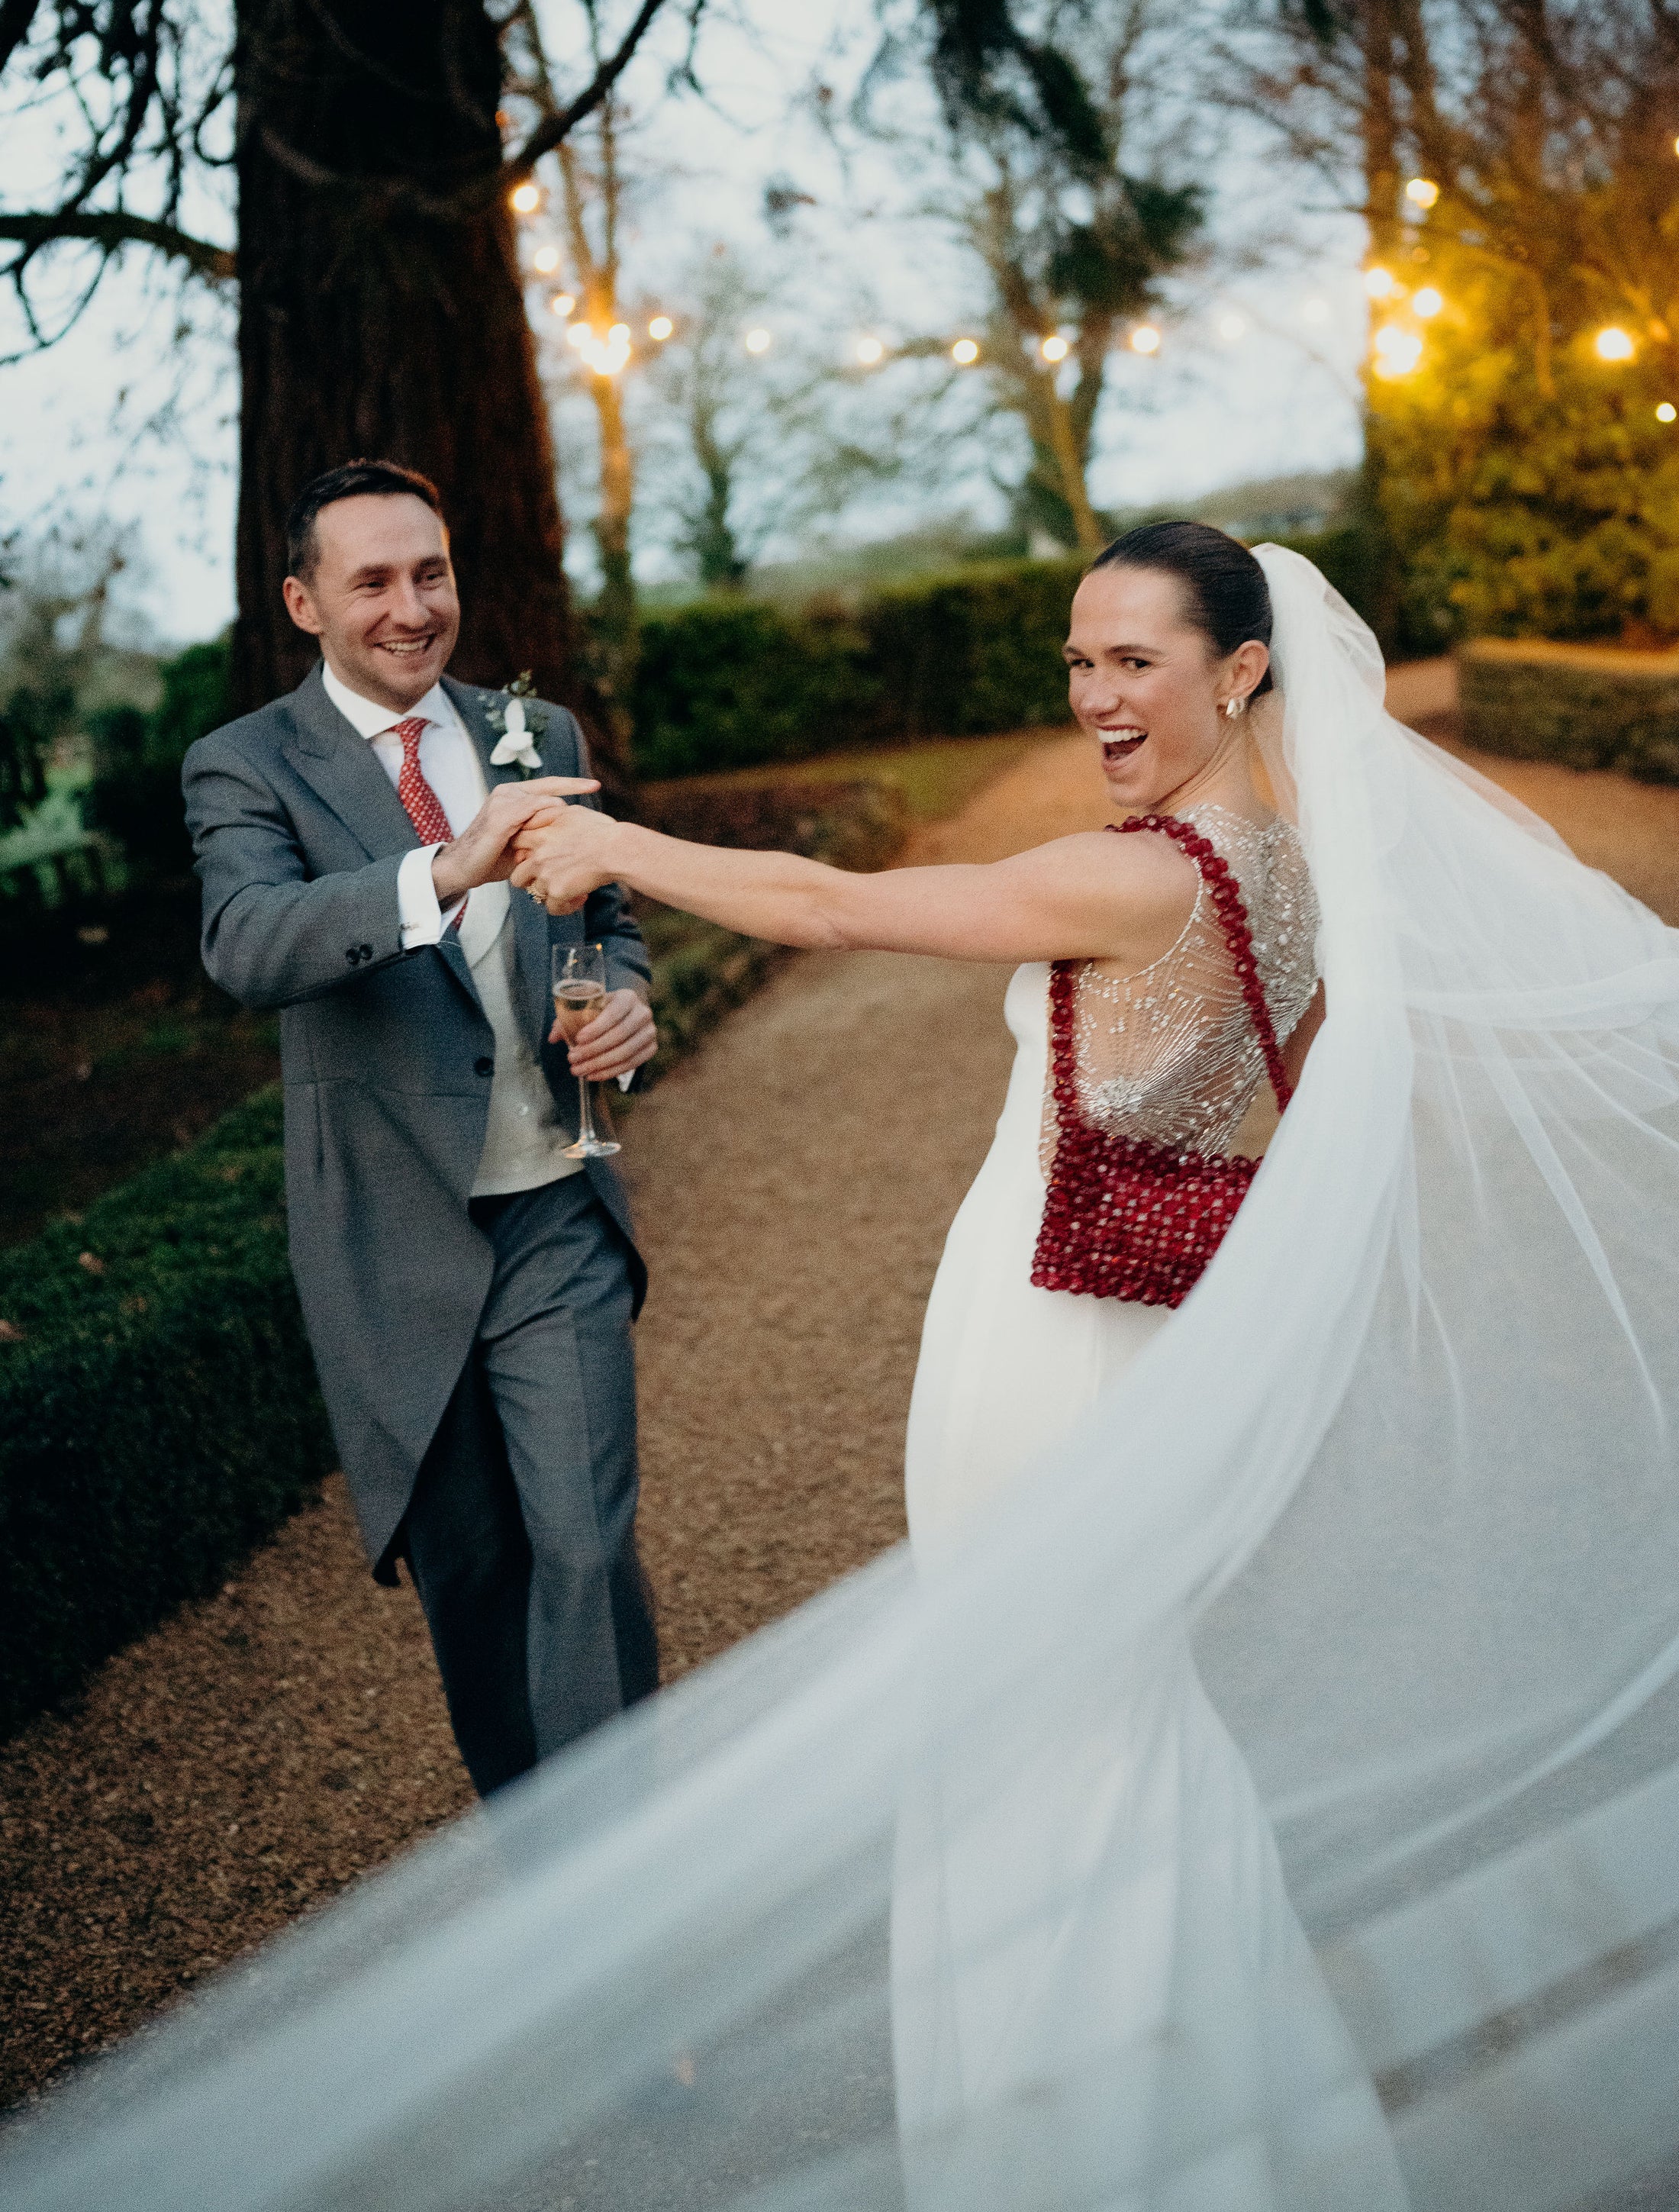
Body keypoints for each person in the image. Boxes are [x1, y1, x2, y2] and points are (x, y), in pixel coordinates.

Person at [14, 524, 1679, 2210]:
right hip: (1126, 1342)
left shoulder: (1142, 875)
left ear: (1241, 671)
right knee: (1109, 1712)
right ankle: (1200, 2114)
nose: (1096, 698)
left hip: (1045, 1361)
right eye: (1075, 665)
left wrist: (615, 848)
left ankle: (1078, 2139)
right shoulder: (1288, 867)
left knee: (1041, 1733)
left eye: (1132, 664)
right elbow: (1304, 1119)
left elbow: (832, 900)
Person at [181, 458, 660, 1798]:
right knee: (476, 1567)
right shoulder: (244, 766)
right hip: (395, 1238)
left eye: (431, 572)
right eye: (373, 580)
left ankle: (637, 1873)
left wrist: (626, 1005)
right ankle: (542, 1877)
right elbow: (247, 944)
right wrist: (447, 867)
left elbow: (610, 923)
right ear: (303, 601)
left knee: (583, 1537)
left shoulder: (539, 731)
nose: (412, 606)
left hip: (556, 1202)